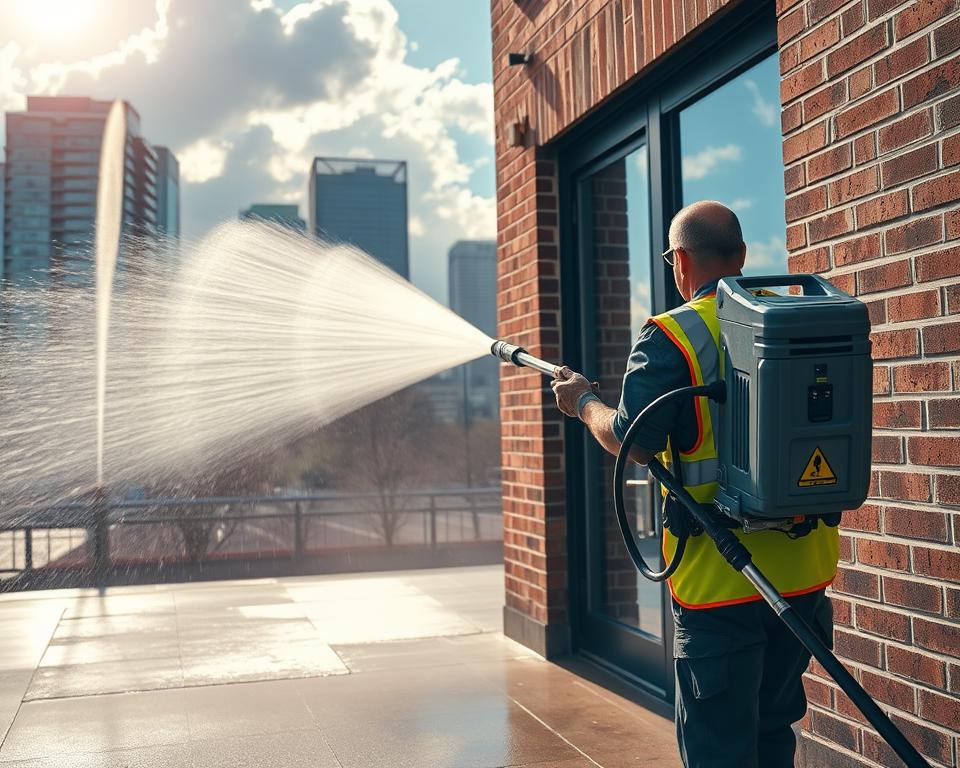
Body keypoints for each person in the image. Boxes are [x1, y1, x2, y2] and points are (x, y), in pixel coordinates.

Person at [550, 200, 839, 768]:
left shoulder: (671, 336)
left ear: (680, 260)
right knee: (774, 732)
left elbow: (632, 441)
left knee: (718, 750)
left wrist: (584, 403)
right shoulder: (794, 317)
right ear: (742, 256)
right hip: (803, 580)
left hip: (718, 586)